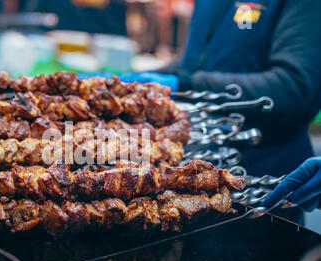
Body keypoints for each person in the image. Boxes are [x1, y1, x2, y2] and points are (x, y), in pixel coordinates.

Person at [118, 0, 321, 177]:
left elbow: (294, 87)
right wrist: (141, 81)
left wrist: (186, 84)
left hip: (265, 178)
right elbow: (195, 61)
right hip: (202, 161)